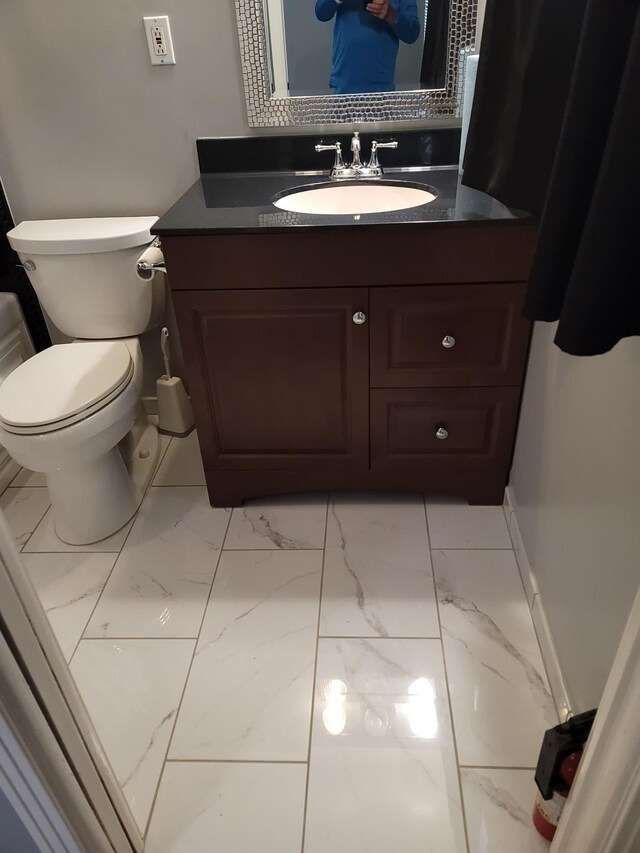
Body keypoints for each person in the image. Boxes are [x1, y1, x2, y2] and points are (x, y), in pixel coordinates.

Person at [315, 0, 420, 95]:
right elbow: (321, 13)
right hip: (343, 84)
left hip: (381, 87)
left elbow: (412, 34)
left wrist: (391, 15)